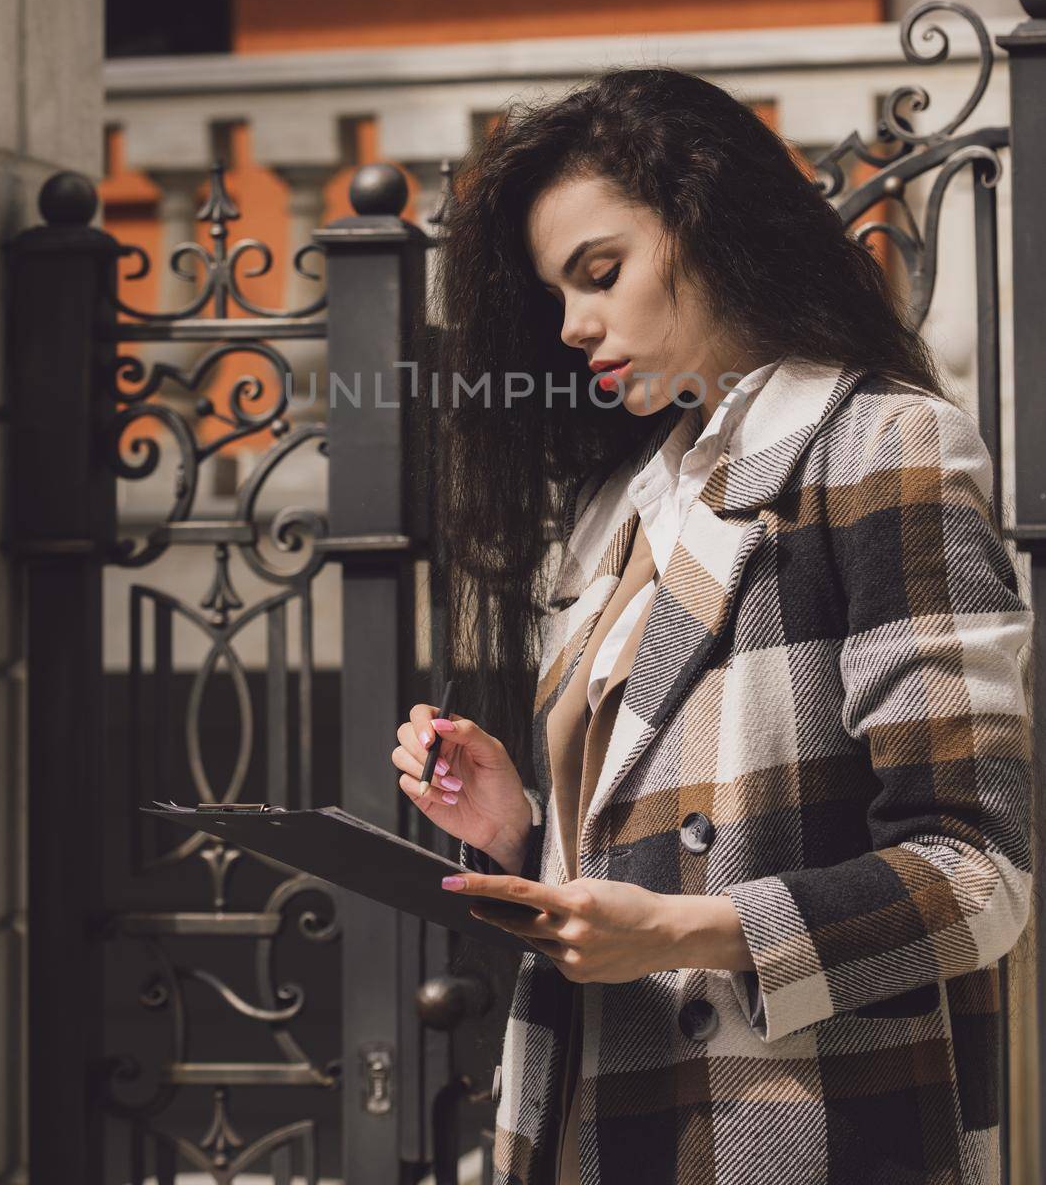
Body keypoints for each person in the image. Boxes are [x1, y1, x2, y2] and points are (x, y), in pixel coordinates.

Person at [389, 69, 1034, 1185]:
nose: (576, 324)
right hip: (597, 1120)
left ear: (708, 222)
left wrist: (687, 935)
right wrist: (524, 830)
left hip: (807, 1131)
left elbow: (977, 877)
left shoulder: (885, 446)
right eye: (558, 294)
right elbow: (669, 843)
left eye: (601, 272)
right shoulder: (623, 506)